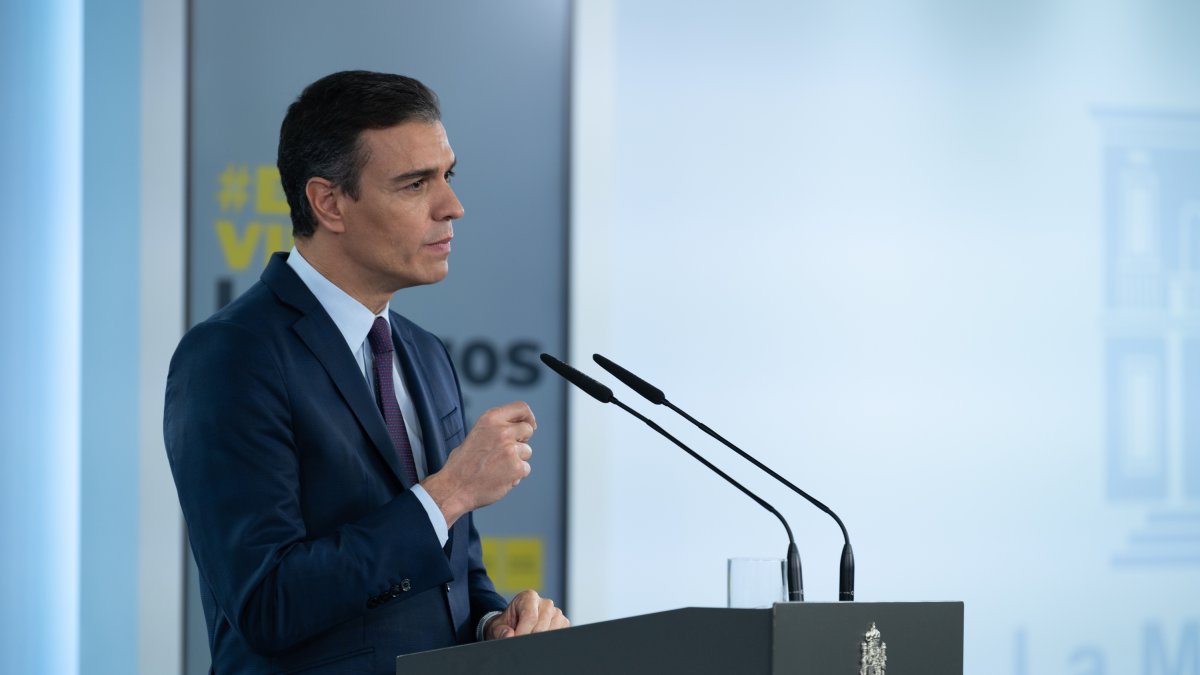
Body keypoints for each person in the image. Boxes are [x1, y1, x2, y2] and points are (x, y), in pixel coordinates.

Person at [164, 70, 568, 674]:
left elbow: (455, 571)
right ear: (329, 202)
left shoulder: (426, 354)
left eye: (447, 176)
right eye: (414, 184)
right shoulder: (232, 355)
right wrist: (449, 491)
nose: (451, 206)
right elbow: (268, 602)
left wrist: (493, 624)